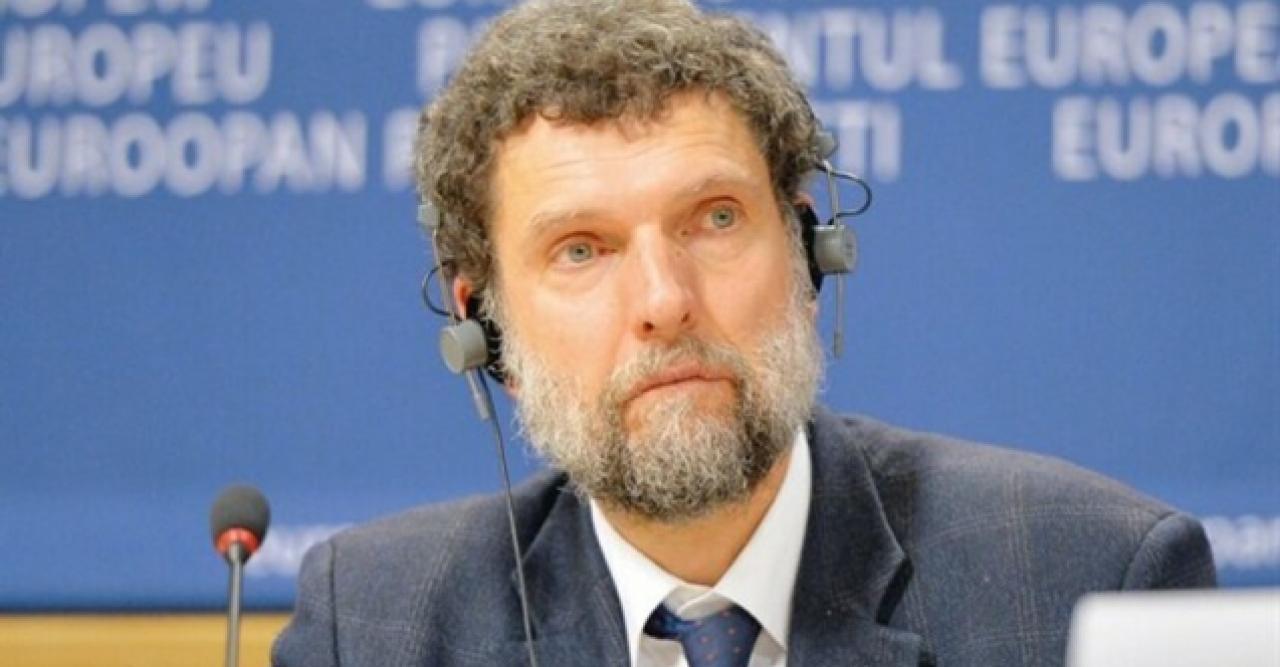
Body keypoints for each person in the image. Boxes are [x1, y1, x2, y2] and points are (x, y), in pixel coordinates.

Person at [273, 1, 1215, 665]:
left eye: (715, 219)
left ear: (807, 254)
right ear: (488, 329)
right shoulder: (378, 629)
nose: (664, 299)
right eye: (581, 249)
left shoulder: (1084, 583)